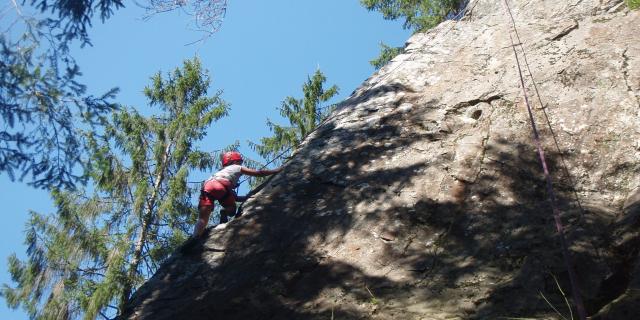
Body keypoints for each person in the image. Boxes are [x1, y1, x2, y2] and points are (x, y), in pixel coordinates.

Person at [193, 151, 281, 237]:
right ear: (234, 161)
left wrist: (245, 196)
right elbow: (258, 173)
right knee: (232, 210)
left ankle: (195, 237)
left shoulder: (220, 173)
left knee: (202, 218)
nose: (240, 164)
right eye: (240, 162)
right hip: (221, 185)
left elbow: (235, 198)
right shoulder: (237, 167)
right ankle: (224, 211)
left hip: (207, 186)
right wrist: (274, 171)